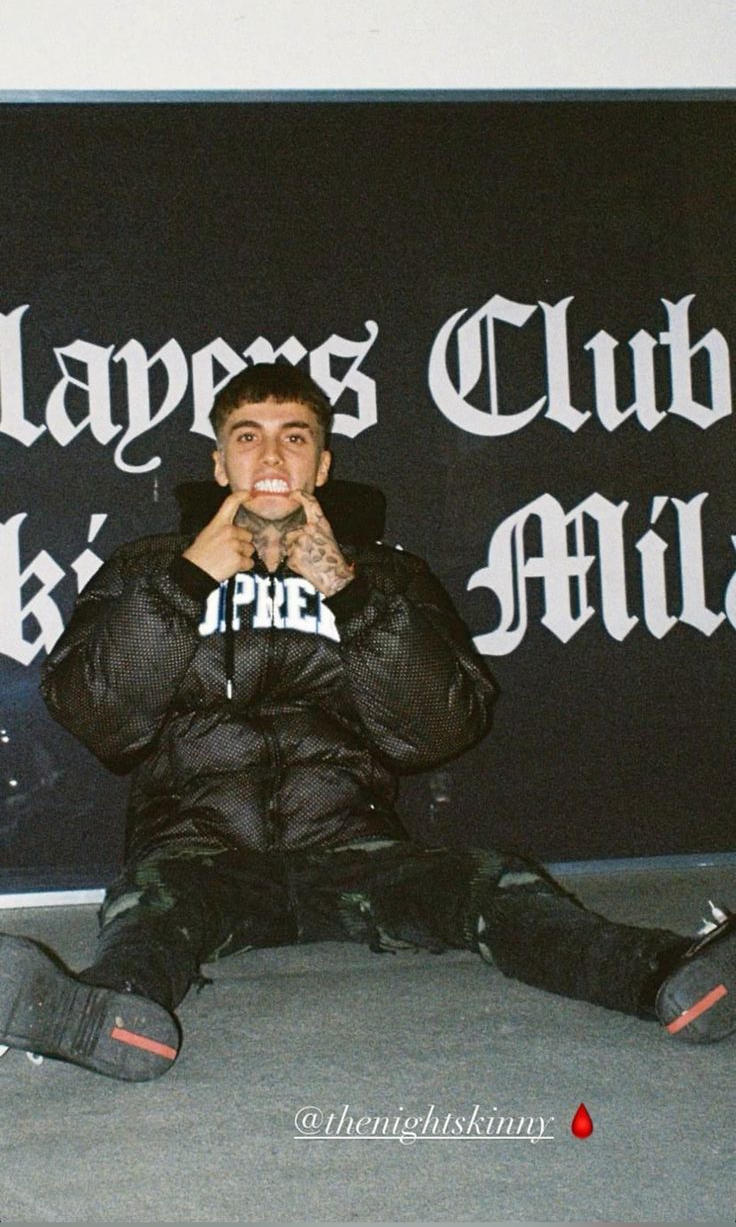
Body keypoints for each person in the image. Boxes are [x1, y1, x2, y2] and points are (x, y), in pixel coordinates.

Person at [0, 363, 734, 1082]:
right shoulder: (144, 569)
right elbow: (98, 719)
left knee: (493, 883)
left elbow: (439, 729)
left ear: (322, 465)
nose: (271, 457)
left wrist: (347, 593)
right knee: (149, 916)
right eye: (248, 436)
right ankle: (106, 1012)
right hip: (197, 857)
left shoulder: (386, 574)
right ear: (219, 463)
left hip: (354, 853)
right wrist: (188, 581)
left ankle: (667, 974)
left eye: (294, 437)